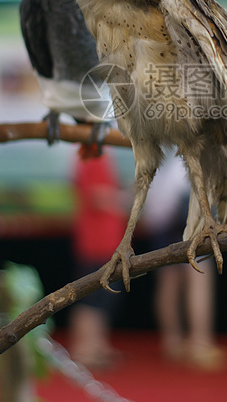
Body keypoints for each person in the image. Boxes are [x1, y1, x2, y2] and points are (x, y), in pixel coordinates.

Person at [143, 152, 227, 370]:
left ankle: (172, 341)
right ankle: (200, 342)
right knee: (199, 277)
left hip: (162, 215)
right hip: (185, 209)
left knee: (169, 281)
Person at [69, 149, 129, 370]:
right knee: (91, 295)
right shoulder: (91, 155)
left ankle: (97, 345)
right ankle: (84, 348)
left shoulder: (99, 155)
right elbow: (95, 195)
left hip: (107, 241)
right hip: (96, 241)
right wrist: (124, 198)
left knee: (106, 296)